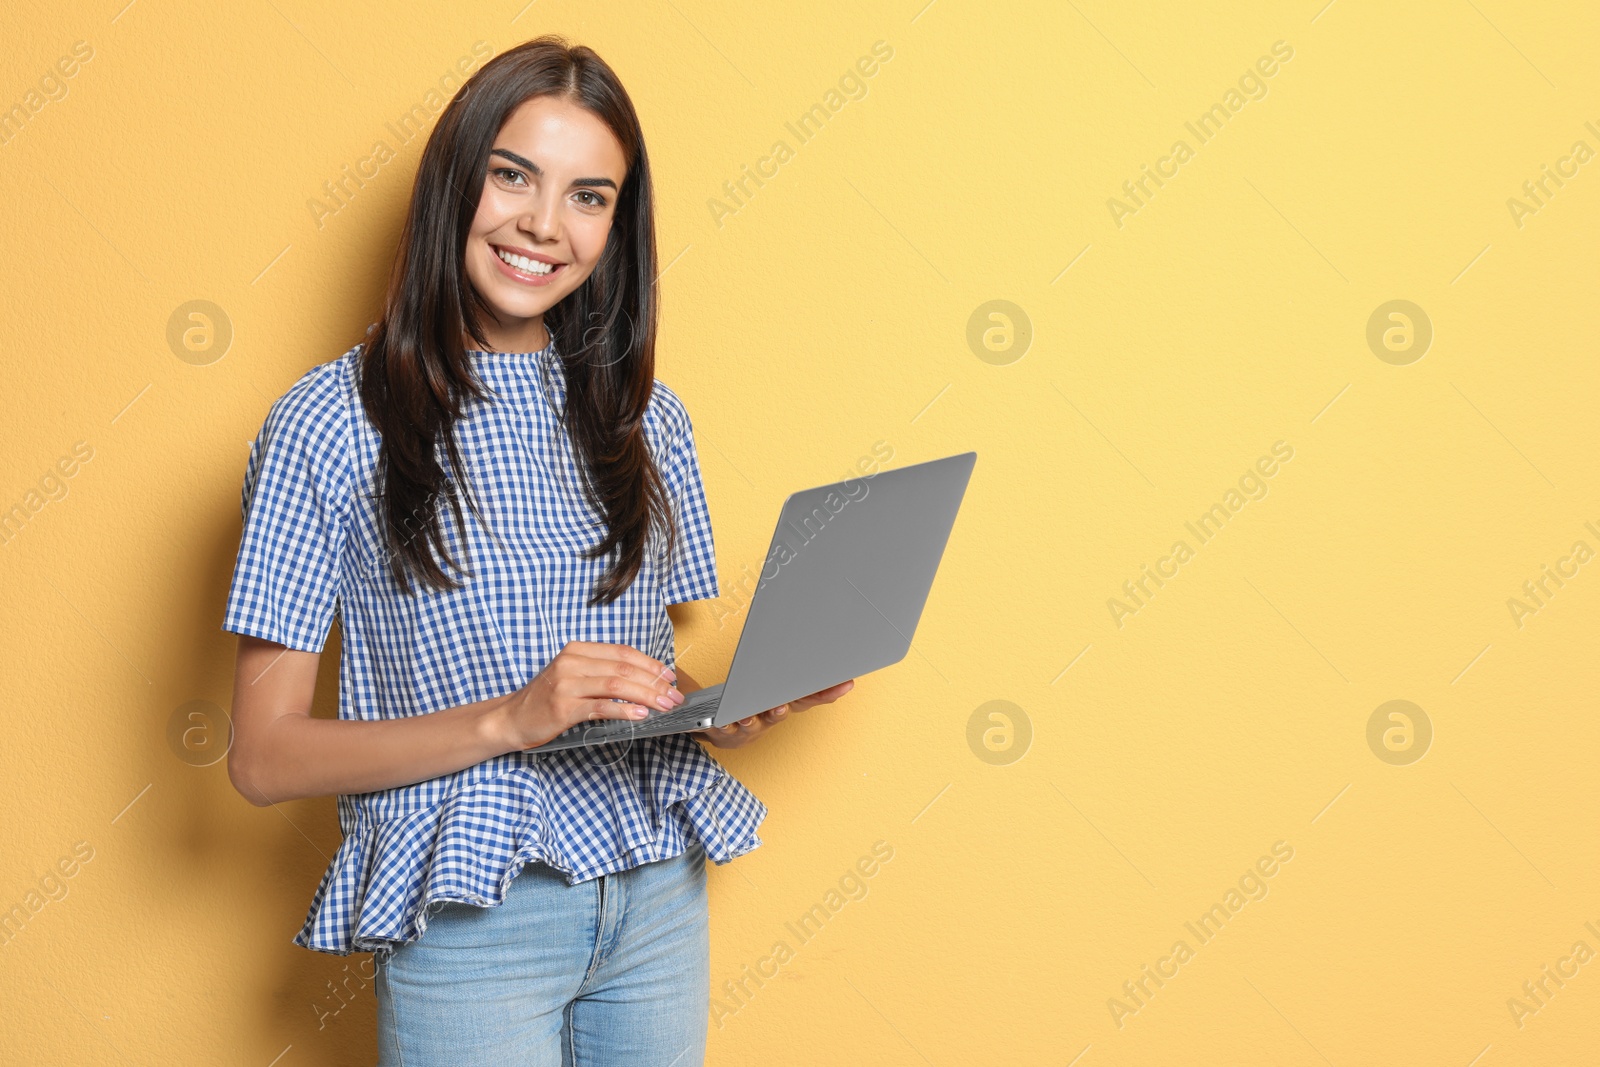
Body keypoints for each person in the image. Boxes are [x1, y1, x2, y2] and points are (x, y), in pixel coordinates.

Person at [220, 35, 854, 1066]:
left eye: (588, 195)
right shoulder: (330, 422)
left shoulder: (647, 416)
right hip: (474, 917)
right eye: (512, 175)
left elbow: (625, 678)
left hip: (652, 895)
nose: (542, 225)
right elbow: (261, 753)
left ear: (618, 224)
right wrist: (513, 717)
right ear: (453, 181)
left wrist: (726, 709)